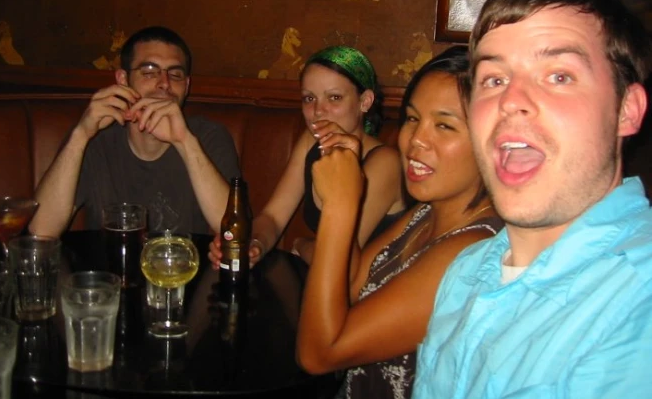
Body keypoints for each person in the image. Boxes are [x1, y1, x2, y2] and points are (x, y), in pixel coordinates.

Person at [413, 0, 652, 398]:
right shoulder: (466, 272)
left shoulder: (638, 300)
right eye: (494, 79)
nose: (510, 100)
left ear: (626, 110)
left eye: (558, 76)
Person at [296, 46, 502, 399]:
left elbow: (319, 355)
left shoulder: (472, 250)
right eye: (411, 118)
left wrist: (342, 206)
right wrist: (346, 170)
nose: (414, 141)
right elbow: (348, 284)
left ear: (493, 139)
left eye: (444, 125)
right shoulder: (425, 213)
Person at [30, 26, 240, 237]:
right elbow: (41, 230)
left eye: (175, 74)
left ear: (186, 86)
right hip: (108, 267)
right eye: (149, 72)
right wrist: (79, 136)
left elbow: (233, 230)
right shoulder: (94, 138)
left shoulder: (209, 136)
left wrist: (184, 141)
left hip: (182, 268)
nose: (164, 84)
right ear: (123, 79)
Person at [209, 45, 405, 266]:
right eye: (309, 99)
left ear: (365, 101)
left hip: (376, 292)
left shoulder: (385, 162)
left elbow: (338, 262)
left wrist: (302, 244)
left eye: (334, 97)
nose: (318, 111)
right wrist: (254, 245)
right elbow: (273, 218)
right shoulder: (311, 141)